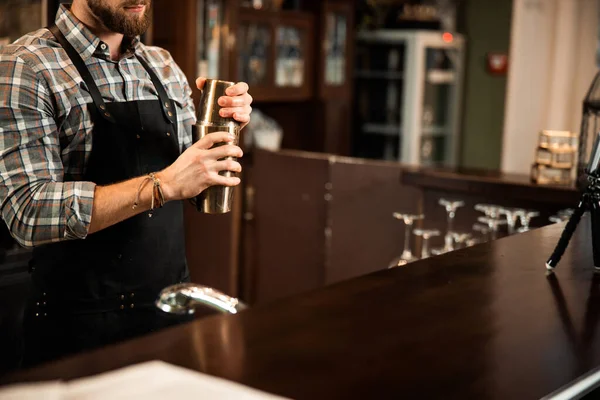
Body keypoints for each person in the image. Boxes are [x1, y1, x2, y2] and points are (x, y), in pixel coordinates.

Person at [0, 0, 252, 367]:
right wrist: (162, 185)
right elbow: (28, 212)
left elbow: (192, 185)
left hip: (169, 318)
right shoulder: (27, 65)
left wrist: (222, 129)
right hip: (79, 333)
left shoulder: (162, 65)